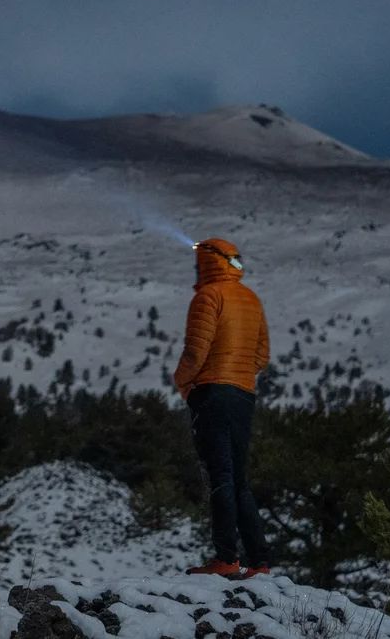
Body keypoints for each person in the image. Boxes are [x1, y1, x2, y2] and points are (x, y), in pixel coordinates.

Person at [173, 237, 272, 578]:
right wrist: (239, 374)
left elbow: (195, 353)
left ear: (208, 263)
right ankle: (259, 562)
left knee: (220, 477)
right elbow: (262, 356)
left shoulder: (208, 297)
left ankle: (226, 559)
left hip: (212, 393)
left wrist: (183, 383)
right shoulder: (251, 299)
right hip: (244, 395)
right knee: (240, 479)